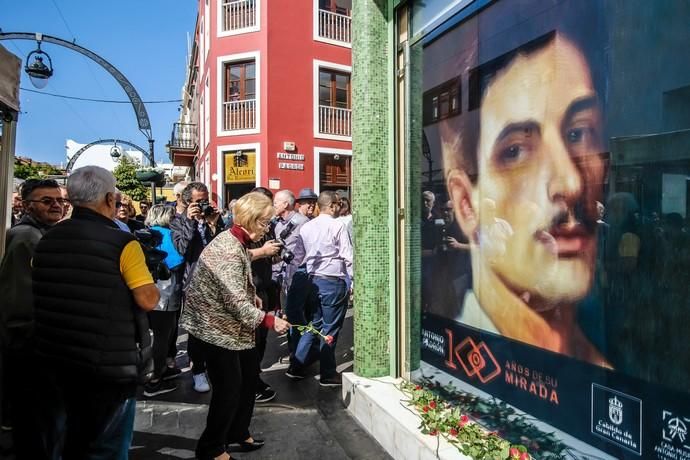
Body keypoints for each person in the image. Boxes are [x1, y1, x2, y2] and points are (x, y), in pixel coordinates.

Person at [439, 31, 608, 365]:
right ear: (466, 204)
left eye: (578, 133)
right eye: (515, 151)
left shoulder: (602, 361)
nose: (571, 183)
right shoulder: (471, 356)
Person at [32, 166, 160, 458]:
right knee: (108, 445)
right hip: (108, 364)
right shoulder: (122, 243)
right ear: (108, 199)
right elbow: (148, 299)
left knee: (66, 441)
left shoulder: (48, 238)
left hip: (56, 356)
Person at [180, 192, 290, 460]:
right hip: (217, 330)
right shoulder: (229, 248)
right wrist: (269, 319)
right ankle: (212, 448)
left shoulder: (236, 240)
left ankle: (238, 432)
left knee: (247, 380)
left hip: (232, 328)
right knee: (228, 391)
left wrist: (248, 291)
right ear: (251, 220)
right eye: (264, 223)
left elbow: (233, 282)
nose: (266, 229)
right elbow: (235, 303)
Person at [0, 179, 63, 457]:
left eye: (60, 200)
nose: (56, 205)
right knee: (34, 420)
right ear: (27, 205)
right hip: (29, 343)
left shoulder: (43, 233)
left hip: (35, 341)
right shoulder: (27, 236)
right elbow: (19, 295)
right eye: (47, 201)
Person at [287, 191, 353, 386]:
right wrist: (355, 282)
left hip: (312, 280)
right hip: (333, 280)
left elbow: (298, 257)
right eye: (337, 204)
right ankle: (328, 373)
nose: (339, 207)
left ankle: (296, 366)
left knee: (315, 325)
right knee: (330, 327)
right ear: (331, 205)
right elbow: (348, 256)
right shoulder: (337, 226)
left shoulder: (307, 227)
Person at [170, 182, 225, 393]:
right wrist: (191, 221)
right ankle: (198, 371)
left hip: (217, 282)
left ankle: (214, 365)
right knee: (197, 331)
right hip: (193, 284)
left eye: (205, 200)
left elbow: (223, 249)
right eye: (198, 201)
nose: (203, 205)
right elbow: (182, 249)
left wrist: (214, 225)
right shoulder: (177, 222)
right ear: (186, 201)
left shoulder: (214, 219)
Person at [142, 205, 186, 397]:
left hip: (149, 290)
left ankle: (159, 372)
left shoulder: (144, 233)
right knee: (162, 336)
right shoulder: (165, 234)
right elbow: (176, 260)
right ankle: (154, 379)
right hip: (165, 292)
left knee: (158, 335)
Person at [246, 187, 282, 403]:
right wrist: (262, 252)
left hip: (264, 288)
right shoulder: (240, 229)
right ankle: (250, 383)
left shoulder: (264, 229)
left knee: (261, 341)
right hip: (251, 292)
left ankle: (253, 378)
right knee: (251, 342)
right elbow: (236, 254)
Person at [272, 190, 310, 361]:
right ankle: (293, 350)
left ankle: (299, 353)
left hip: (297, 275)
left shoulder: (303, 223)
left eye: (275, 203)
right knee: (285, 313)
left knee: (296, 314)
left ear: (285, 204)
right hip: (280, 275)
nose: (273, 206)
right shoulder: (274, 223)